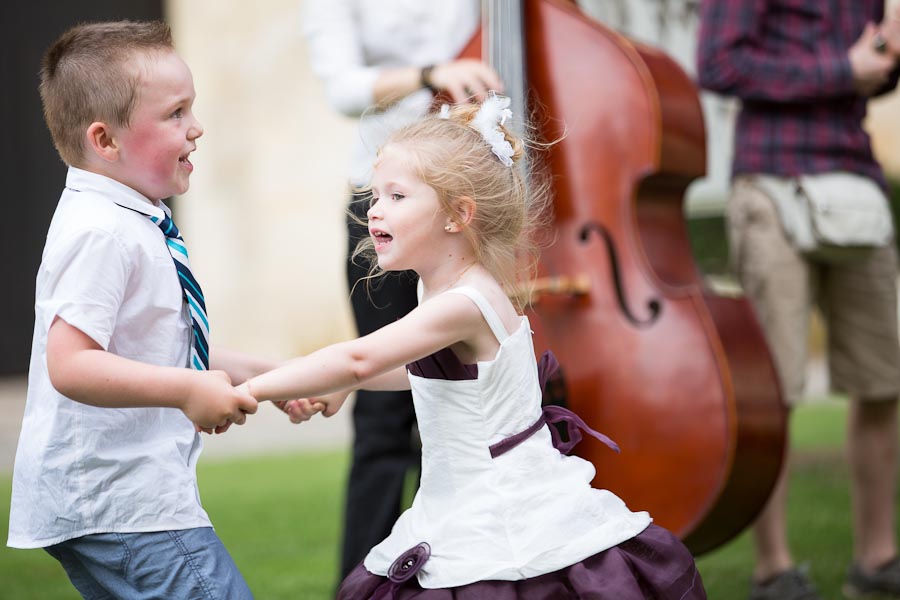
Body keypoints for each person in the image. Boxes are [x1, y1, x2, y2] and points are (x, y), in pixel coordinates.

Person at [242, 96, 707, 598]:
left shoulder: (466, 301)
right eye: (373, 195)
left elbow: (359, 358)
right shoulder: (438, 290)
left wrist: (247, 391)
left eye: (397, 196)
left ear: (457, 214)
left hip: (501, 510)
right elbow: (413, 373)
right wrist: (335, 386)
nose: (375, 209)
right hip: (453, 502)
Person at [7, 20, 264, 599]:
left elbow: (155, 342)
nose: (196, 128)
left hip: (121, 498)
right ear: (106, 141)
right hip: (123, 499)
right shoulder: (103, 232)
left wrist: (267, 374)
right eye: (175, 114)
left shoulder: (129, 218)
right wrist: (185, 390)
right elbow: (71, 365)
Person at [697, 2, 900, 599]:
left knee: (884, 380)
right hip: (772, 182)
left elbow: (872, 73)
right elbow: (719, 63)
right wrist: (842, 69)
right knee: (776, 391)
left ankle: (876, 559)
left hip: (856, 181)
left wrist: (886, 58)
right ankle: (774, 569)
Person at [302, 0, 504, 579]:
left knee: (472, 395)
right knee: (388, 411)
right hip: (387, 201)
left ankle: (465, 565)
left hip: (475, 203)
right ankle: (360, 582)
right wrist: (427, 76)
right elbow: (343, 90)